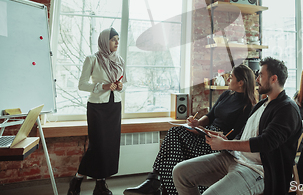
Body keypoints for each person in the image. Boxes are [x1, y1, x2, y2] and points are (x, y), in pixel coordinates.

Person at [172, 57, 302, 195]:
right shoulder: (261, 104)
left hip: (259, 170)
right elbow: (245, 134)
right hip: (235, 158)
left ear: (273, 79)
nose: (257, 79)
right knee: (180, 172)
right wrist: (219, 137)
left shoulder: (287, 109)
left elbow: (265, 143)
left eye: (261, 75)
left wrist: (225, 145)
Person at [124, 64, 257, 195]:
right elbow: (210, 115)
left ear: (241, 82)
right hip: (205, 132)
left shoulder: (248, 106)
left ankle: (156, 184)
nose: (228, 79)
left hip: (216, 142)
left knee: (175, 139)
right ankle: (155, 182)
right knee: (174, 134)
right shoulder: (227, 94)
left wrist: (202, 130)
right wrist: (197, 123)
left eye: (231, 77)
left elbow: (231, 137)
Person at [67, 28, 126, 195]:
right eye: (113, 39)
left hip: (114, 107)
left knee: (109, 147)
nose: (116, 42)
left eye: (118, 39)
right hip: (97, 107)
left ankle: (100, 185)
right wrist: (103, 86)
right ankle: (77, 180)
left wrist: (121, 87)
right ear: (103, 41)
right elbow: (82, 84)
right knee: (97, 146)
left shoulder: (119, 60)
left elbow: (125, 83)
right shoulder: (92, 59)